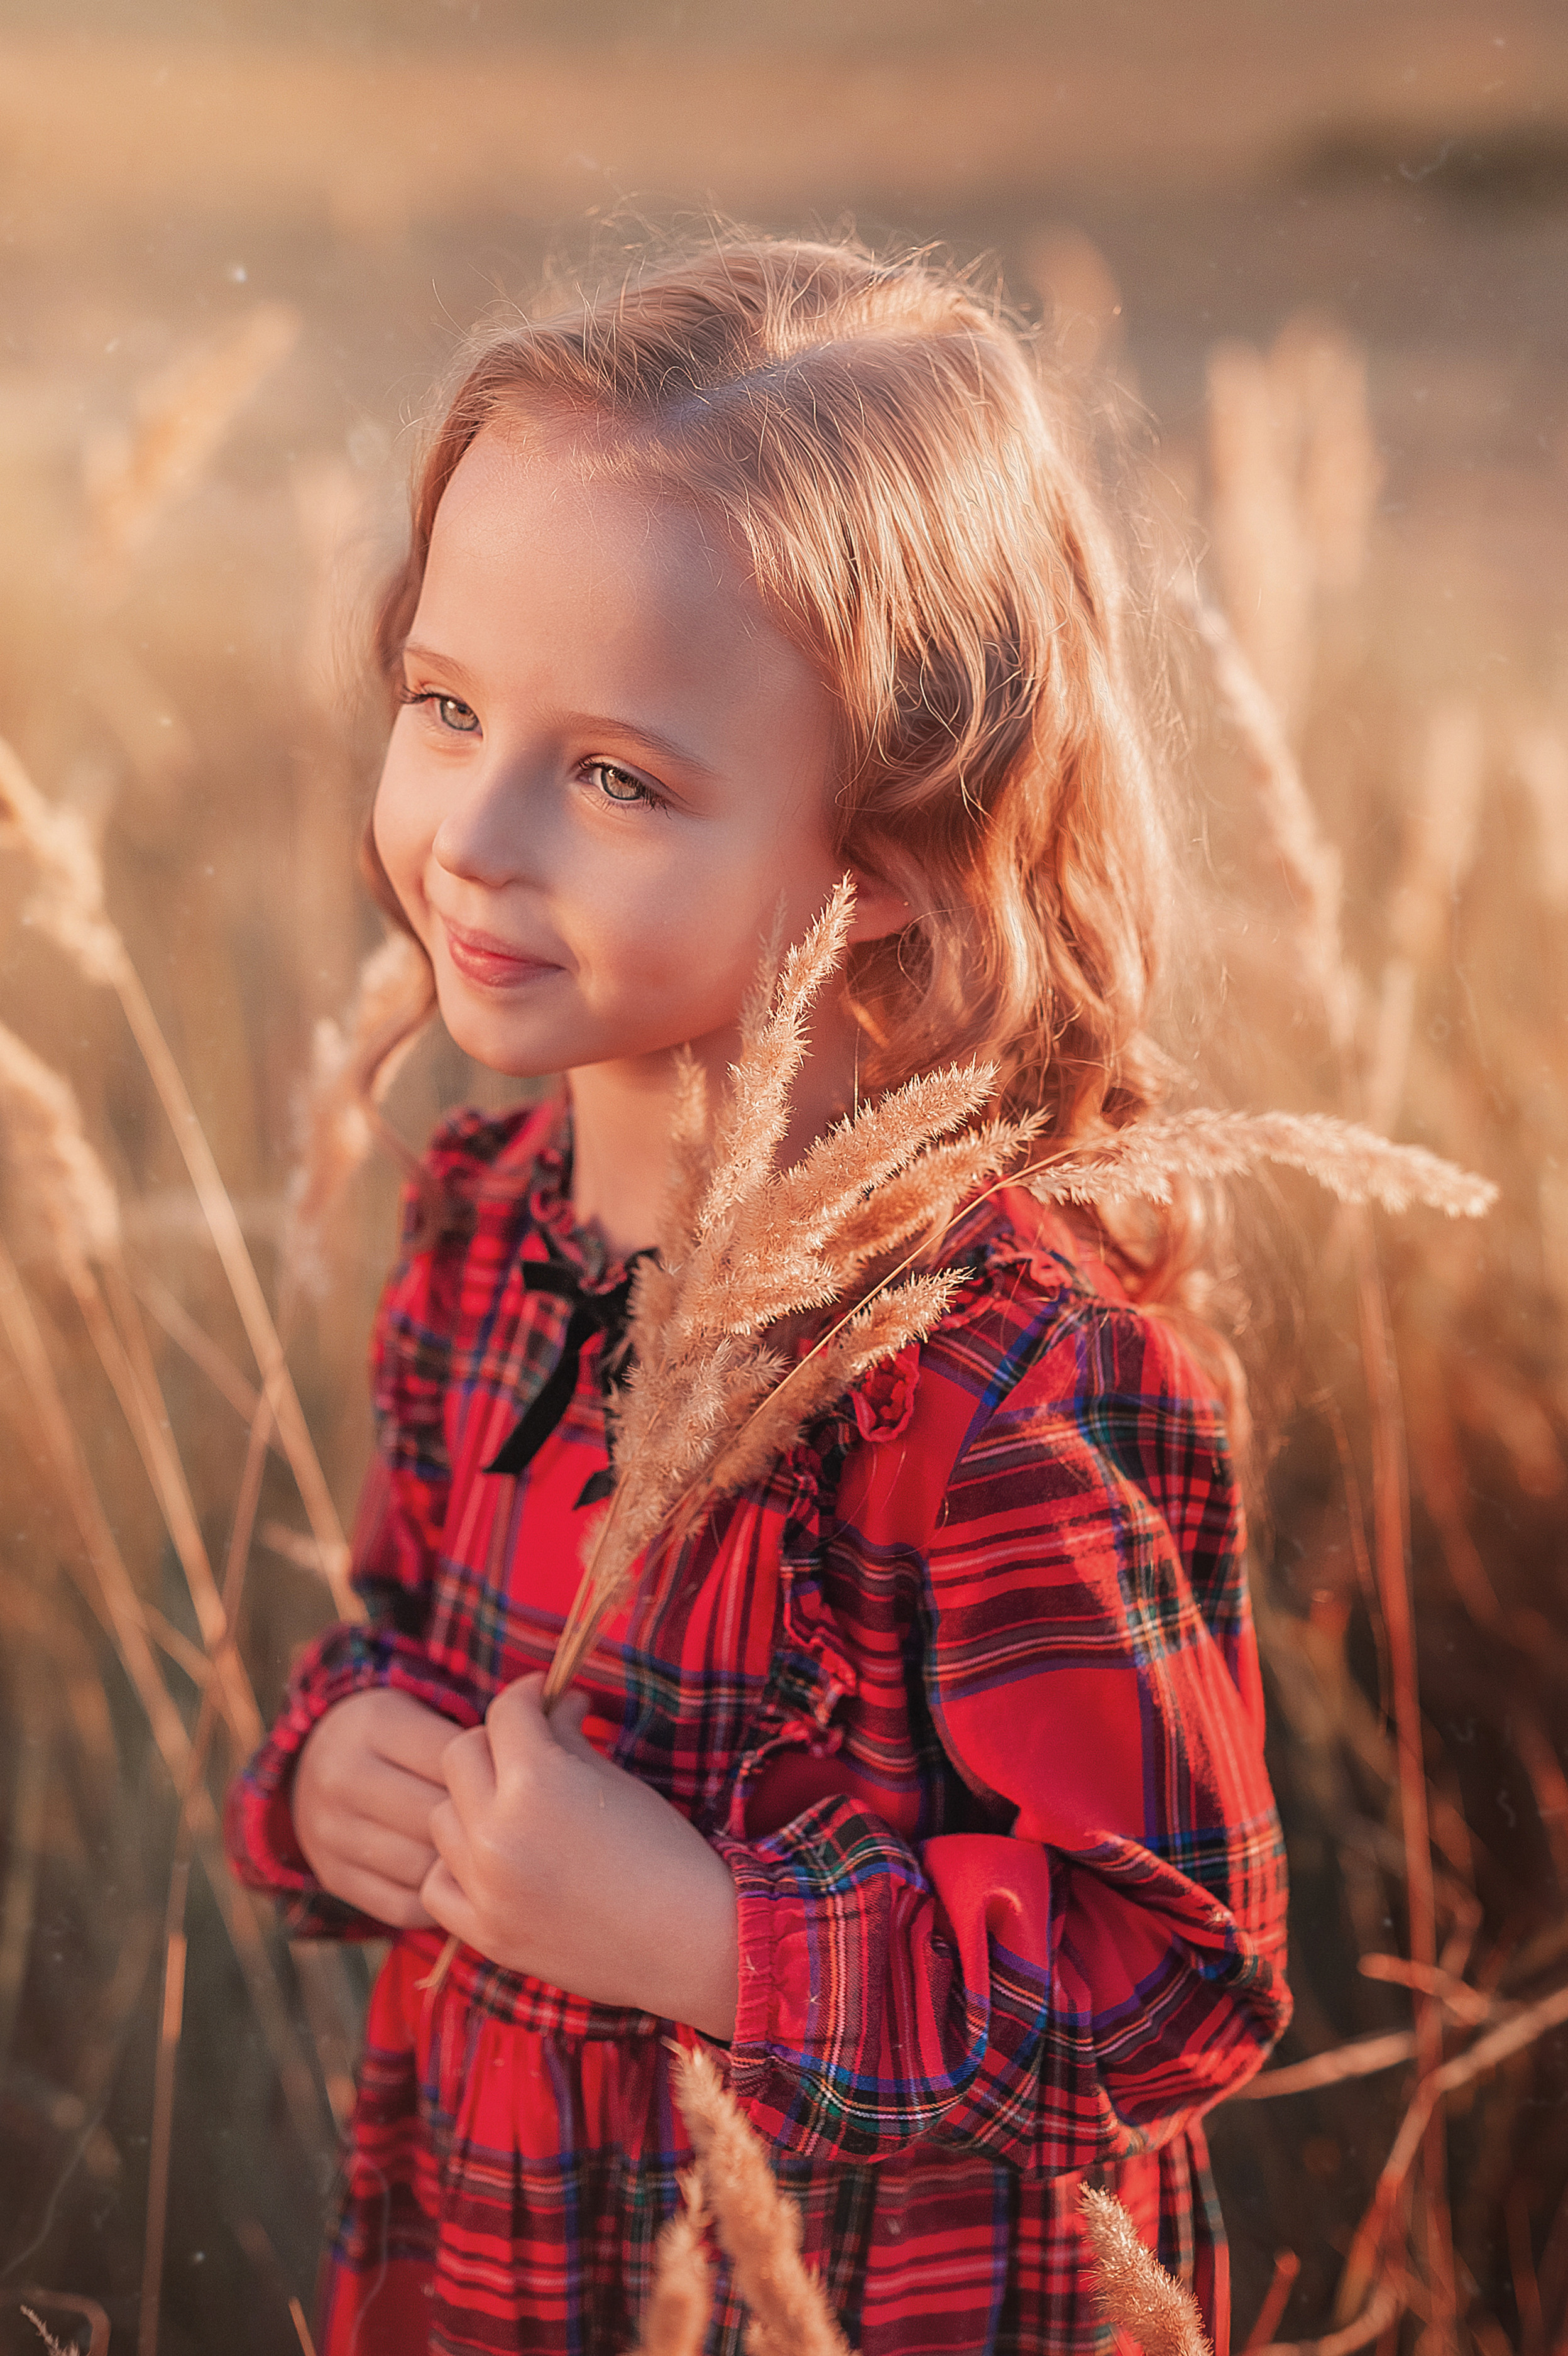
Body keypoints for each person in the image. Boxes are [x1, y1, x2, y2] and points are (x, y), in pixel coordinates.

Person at [226, 236, 1291, 2356]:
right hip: (517, 2271)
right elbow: (408, 1622)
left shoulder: (994, 1377)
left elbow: (1176, 1974)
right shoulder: (482, 1231)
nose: (475, 835)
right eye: (444, 710)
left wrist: (714, 1940)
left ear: (892, 845)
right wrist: (336, 1766)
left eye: (615, 774)